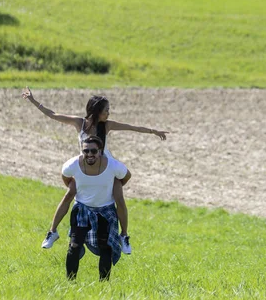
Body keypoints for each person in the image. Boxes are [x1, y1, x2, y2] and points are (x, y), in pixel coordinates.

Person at [21, 86, 168, 253]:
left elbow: (132, 127)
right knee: (69, 194)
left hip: (107, 167)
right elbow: (53, 115)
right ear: (97, 110)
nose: (109, 113)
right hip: (86, 165)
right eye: (106, 110)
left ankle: (124, 236)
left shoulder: (106, 126)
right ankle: (52, 232)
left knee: (119, 199)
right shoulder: (79, 123)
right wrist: (33, 100)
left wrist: (153, 131)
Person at [59, 135, 131, 281]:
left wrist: (114, 186)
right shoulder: (72, 165)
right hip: (82, 210)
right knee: (74, 246)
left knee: (106, 248)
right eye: (86, 151)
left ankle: (103, 285)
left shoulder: (113, 166)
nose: (89, 154)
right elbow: (66, 177)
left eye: (93, 151)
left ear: (100, 151)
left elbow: (126, 176)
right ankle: (69, 282)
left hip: (105, 211)